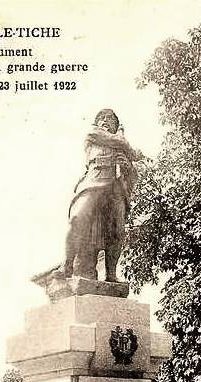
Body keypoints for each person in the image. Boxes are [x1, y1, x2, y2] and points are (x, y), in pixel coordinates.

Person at [60, 109, 139, 281]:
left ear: (115, 124)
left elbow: (133, 172)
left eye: (110, 119)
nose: (105, 120)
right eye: (101, 118)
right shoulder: (93, 134)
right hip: (94, 180)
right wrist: (123, 140)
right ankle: (67, 265)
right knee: (77, 219)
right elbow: (127, 147)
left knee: (117, 232)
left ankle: (111, 274)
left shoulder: (121, 146)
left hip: (116, 187)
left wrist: (127, 166)